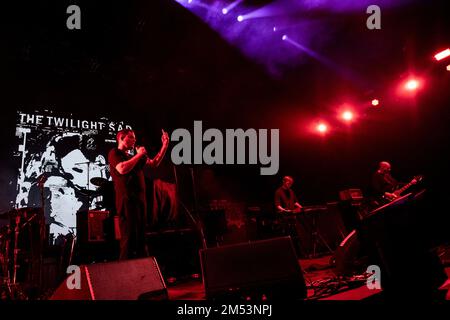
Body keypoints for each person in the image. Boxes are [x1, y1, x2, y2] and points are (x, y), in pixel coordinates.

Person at [108, 129, 169, 260]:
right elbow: (122, 169)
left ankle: (142, 273)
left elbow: (154, 163)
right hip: (127, 201)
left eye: (134, 138)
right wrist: (139, 155)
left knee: (141, 239)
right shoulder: (115, 153)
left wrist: (165, 146)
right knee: (128, 239)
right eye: (131, 137)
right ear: (121, 138)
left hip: (140, 202)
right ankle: (124, 273)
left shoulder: (133, 157)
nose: (135, 140)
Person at [274, 176, 303, 257]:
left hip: (292, 216)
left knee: (296, 234)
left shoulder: (291, 191)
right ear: (283, 181)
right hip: (284, 217)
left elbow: (295, 202)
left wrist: (301, 207)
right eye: (288, 182)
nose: (290, 184)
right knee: (288, 234)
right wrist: (285, 211)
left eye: (291, 183)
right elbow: (278, 205)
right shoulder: (278, 192)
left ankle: (299, 253)